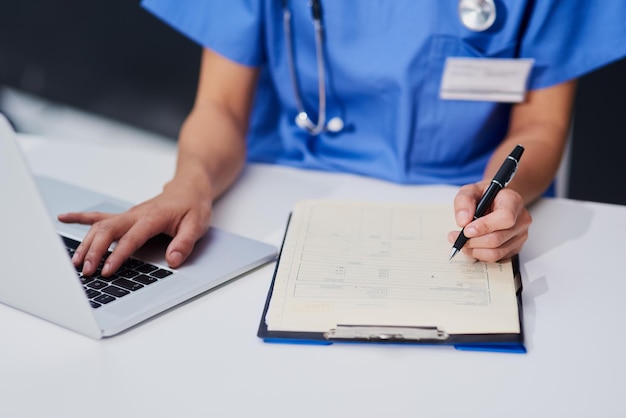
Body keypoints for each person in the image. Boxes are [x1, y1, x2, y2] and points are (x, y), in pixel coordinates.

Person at [60, 0, 626, 277]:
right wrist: (188, 183)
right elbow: (220, 108)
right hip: (279, 192)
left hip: (457, 205)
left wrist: (504, 194)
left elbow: (540, 128)